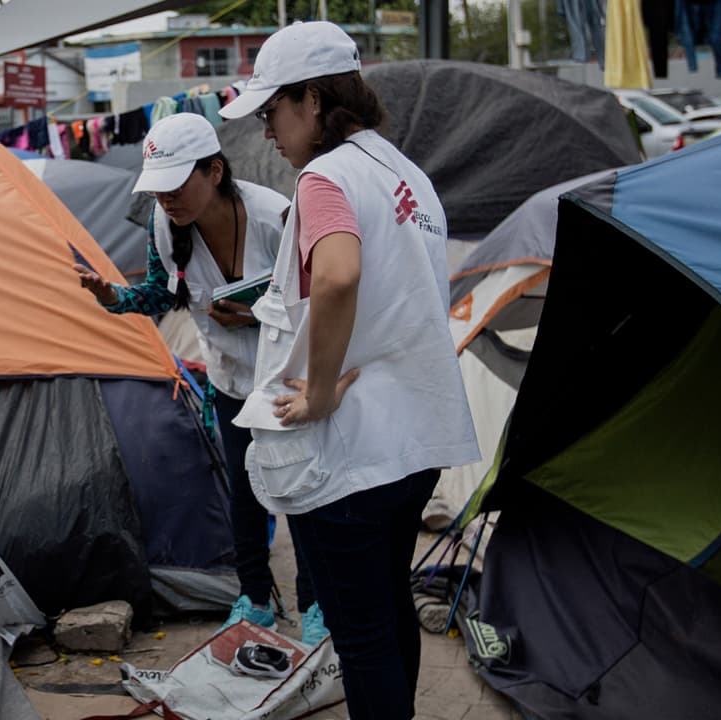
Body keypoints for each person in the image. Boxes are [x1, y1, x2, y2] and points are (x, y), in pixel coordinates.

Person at [218, 22, 481, 720]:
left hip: (359, 448)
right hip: (415, 438)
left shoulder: (324, 177)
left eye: (271, 110)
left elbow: (338, 276)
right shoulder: (405, 173)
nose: (268, 130)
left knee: (360, 635)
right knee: (389, 607)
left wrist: (325, 388)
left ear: (310, 98)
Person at [72, 112, 328, 646]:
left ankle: (315, 603)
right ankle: (255, 599)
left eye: (175, 186)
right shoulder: (164, 229)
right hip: (229, 381)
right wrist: (114, 298)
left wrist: (256, 315)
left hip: (284, 380)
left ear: (214, 171)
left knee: (296, 492)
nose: (166, 200)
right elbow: (163, 297)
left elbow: (315, 300)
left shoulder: (274, 217)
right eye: (157, 190)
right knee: (243, 496)